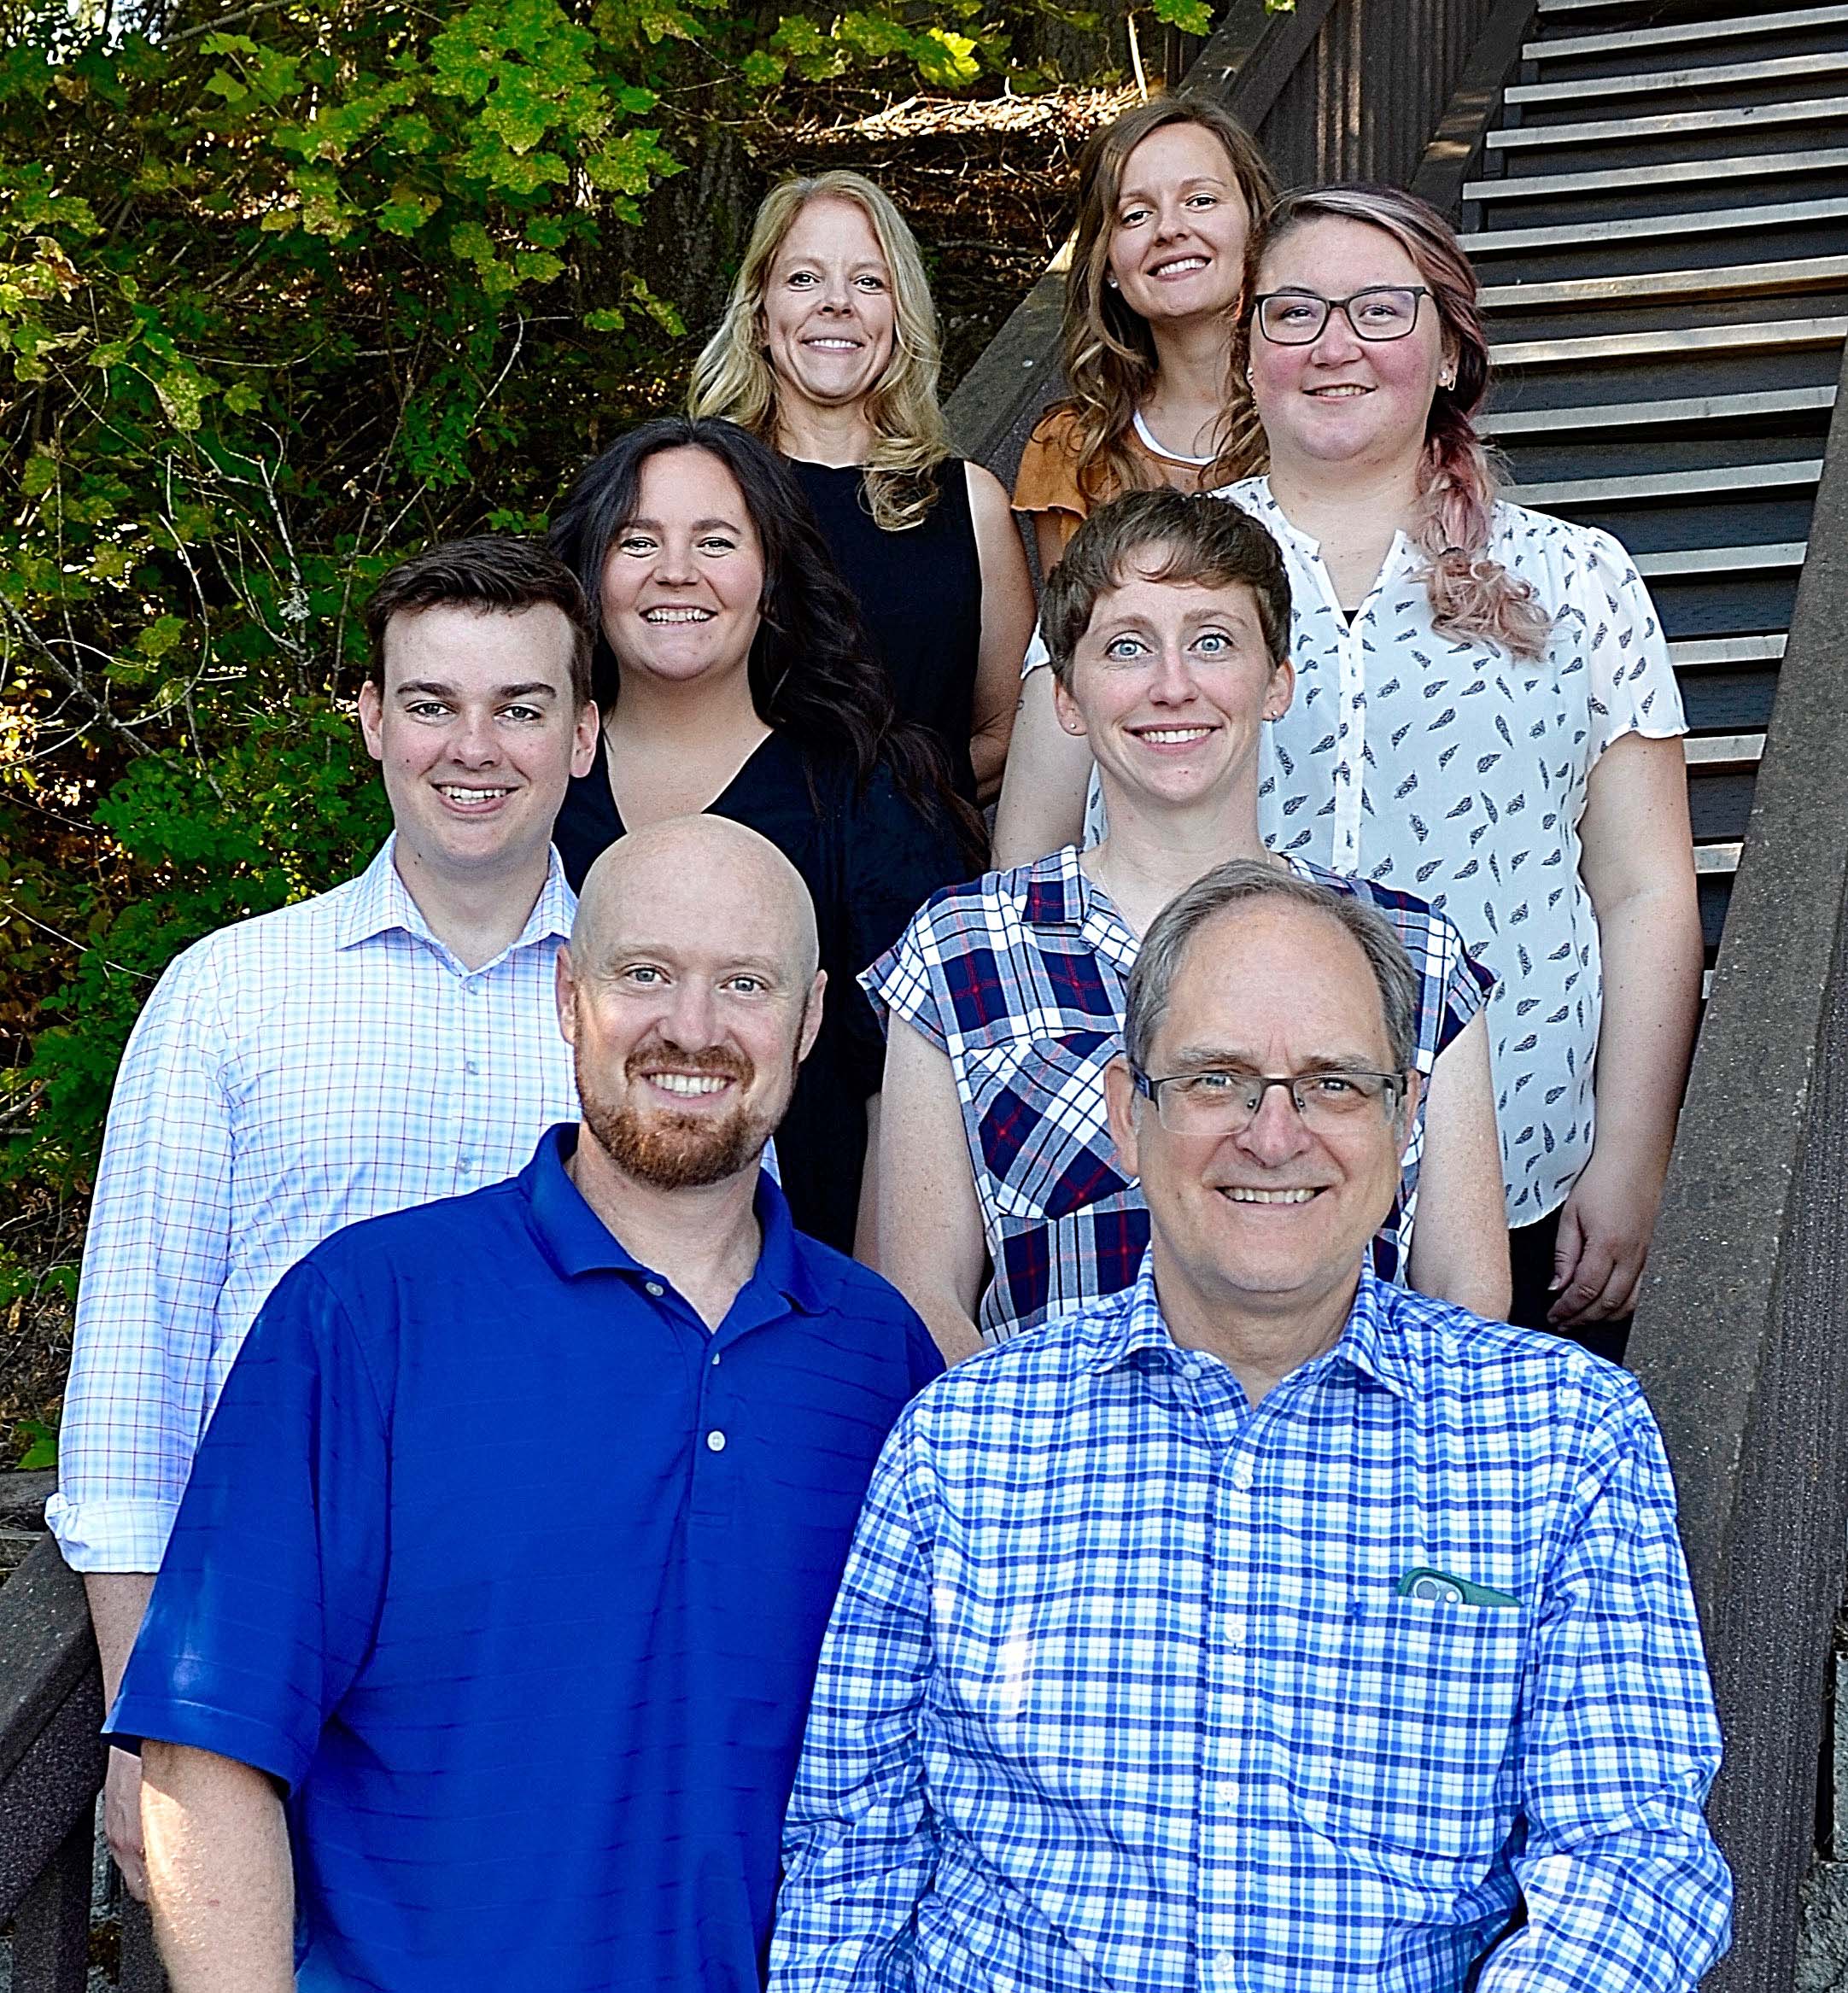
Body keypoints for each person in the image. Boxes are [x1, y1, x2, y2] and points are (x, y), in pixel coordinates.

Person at [771, 863, 1732, 1993]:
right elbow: (852, 1853)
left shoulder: (1563, 1439)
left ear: (1404, 1114)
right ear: (1133, 1113)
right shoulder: (962, 1441)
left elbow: (1634, 1855)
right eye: (1219, 1077)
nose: (1274, 1135)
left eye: (1331, 1082)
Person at [111, 815, 945, 1993]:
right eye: (645, 973)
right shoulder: (367, 1313)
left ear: (808, 1017)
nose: (691, 1028)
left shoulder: (879, 1363)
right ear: (569, 994)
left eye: (743, 983)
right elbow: (207, 1748)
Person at [47, 535, 600, 1900]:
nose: (475, 746)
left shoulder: (660, 1011)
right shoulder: (230, 996)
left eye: (521, 706)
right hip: (269, 1660)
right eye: (432, 702)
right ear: (369, 720)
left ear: (585, 734)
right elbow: (134, 1379)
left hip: (568, 1655)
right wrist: (145, 1724)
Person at [1222, 183, 1702, 1356]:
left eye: (1380, 310)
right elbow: (1035, 864)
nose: (1334, 344)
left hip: (1514, 1173)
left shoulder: (1578, 577)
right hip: (1218, 1166)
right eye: (1293, 313)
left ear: (1448, 353)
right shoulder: (1151, 571)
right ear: (1246, 355)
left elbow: (1644, 889)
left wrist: (1631, 1156)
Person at [868, 490, 1506, 1361]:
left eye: (1213, 641)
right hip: (1060, 1480)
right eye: (1127, 647)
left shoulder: (1413, 955)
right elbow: (923, 1297)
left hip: (1350, 1480)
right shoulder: (959, 952)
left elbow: (1464, 1302)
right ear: (1065, 696)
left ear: (1275, 682)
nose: (1173, 686)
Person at [548, 415, 976, 1258]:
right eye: (638, 542)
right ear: (591, 572)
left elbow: (906, 1089)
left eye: (715, 542)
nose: (676, 573)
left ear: (772, 573)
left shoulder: (866, 790)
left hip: (795, 1287)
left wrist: (867, 1313)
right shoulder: (536, 783)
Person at [993, 94, 1278, 864]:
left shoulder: (1322, 421)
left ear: (1255, 225)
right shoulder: (1076, 450)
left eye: (1201, 199)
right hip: (1137, 833)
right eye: (1135, 213)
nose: (1170, 229)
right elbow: (1066, 676)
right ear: (1109, 264)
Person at [689, 170, 1034, 803]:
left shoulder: (971, 505)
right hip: (729, 871)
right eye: (803, 278)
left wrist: (889, 819)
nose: (837, 302)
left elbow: (1007, 730)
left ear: (900, 317)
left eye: (869, 281)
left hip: (916, 880)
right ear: (761, 316)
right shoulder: (695, 495)